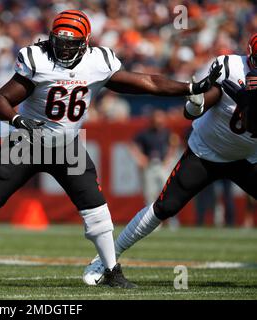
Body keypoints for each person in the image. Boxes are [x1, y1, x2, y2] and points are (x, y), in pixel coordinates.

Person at [0, 9, 221, 288]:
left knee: (95, 207)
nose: (63, 49)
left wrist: (190, 87)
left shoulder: (98, 62)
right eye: (59, 42)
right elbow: (0, 101)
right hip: (27, 141)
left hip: (66, 146)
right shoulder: (37, 59)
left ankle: (111, 270)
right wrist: (18, 119)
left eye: (70, 44)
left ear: (85, 43)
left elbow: (147, 82)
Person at [83, 33, 257, 285]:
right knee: (164, 207)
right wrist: (195, 105)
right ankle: (106, 260)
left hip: (248, 158)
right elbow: (194, 109)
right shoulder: (231, 67)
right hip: (206, 152)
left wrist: (248, 100)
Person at [129, 109, 180, 229]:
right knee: (150, 195)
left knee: (169, 193)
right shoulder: (145, 133)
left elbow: (174, 144)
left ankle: (173, 221)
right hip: (150, 166)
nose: (159, 121)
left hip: (162, 166)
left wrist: (168, 159)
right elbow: (132, 145)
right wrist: (140, 158)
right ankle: (153, 225)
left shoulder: (167, 132)